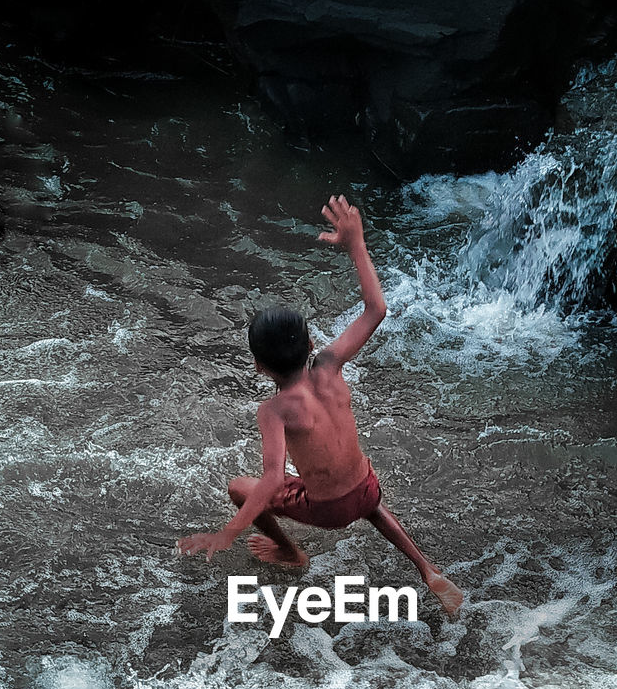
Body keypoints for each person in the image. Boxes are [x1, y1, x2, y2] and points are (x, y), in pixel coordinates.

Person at [177, 194, 463, 619]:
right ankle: (429, 570)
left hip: (329, 510)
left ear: (258, 366)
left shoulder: (274, 410)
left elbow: (272, 480)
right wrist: (356, 244)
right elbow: (376, 309)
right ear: (311, 344)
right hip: (367, 490)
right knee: (362, 493)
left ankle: (291, 552)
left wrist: (227, 533)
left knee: (240, 486)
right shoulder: (329, 365)